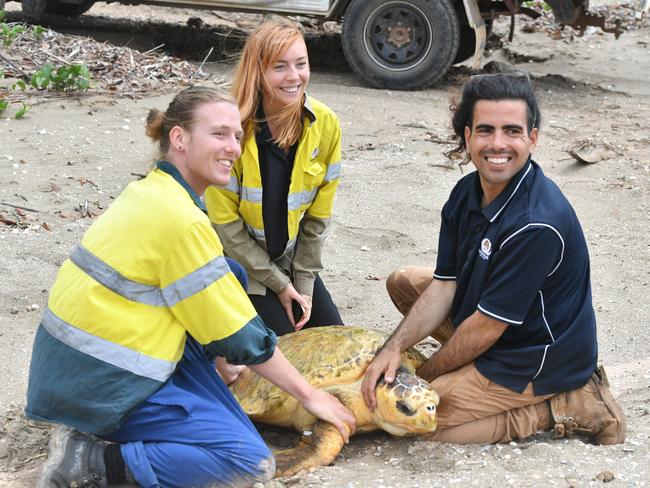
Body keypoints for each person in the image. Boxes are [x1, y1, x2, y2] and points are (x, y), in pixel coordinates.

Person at [25, 86, 355, 488]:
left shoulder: (153, 190)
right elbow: (239, 334)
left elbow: (218, 297)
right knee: (247, 461)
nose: (233, 147)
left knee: (229, 272)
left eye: (237, 136)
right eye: (219, 134)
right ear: (179, 138)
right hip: (99, 384)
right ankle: (92, 459)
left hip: (76, 368)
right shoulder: (180, 220)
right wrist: (310, 395)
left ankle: (181, 405)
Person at [361, 73, 626, 445]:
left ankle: (569, 405)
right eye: (485, 130)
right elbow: (445, 283)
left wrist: (423, 377)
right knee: (404, 282)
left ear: (532, 139)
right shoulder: (465, 192)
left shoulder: (537, 224)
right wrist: (394, 348)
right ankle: (465, 368)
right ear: (467, 136)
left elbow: (487, 327)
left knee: (421, 420)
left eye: (512, 131)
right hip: (495, 324)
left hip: (537, 356)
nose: (498, 144)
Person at [205, 20, 344, 336]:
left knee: (332, 337)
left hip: (289, 260)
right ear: (258, 72)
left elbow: (317, 220)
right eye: (279, 67)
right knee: (284, 348)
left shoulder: (326, 124)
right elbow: (227, 231)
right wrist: (280, 285)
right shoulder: (231, 130)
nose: (294, 76)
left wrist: (304, 283)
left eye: (301, 64)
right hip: (238, 265)